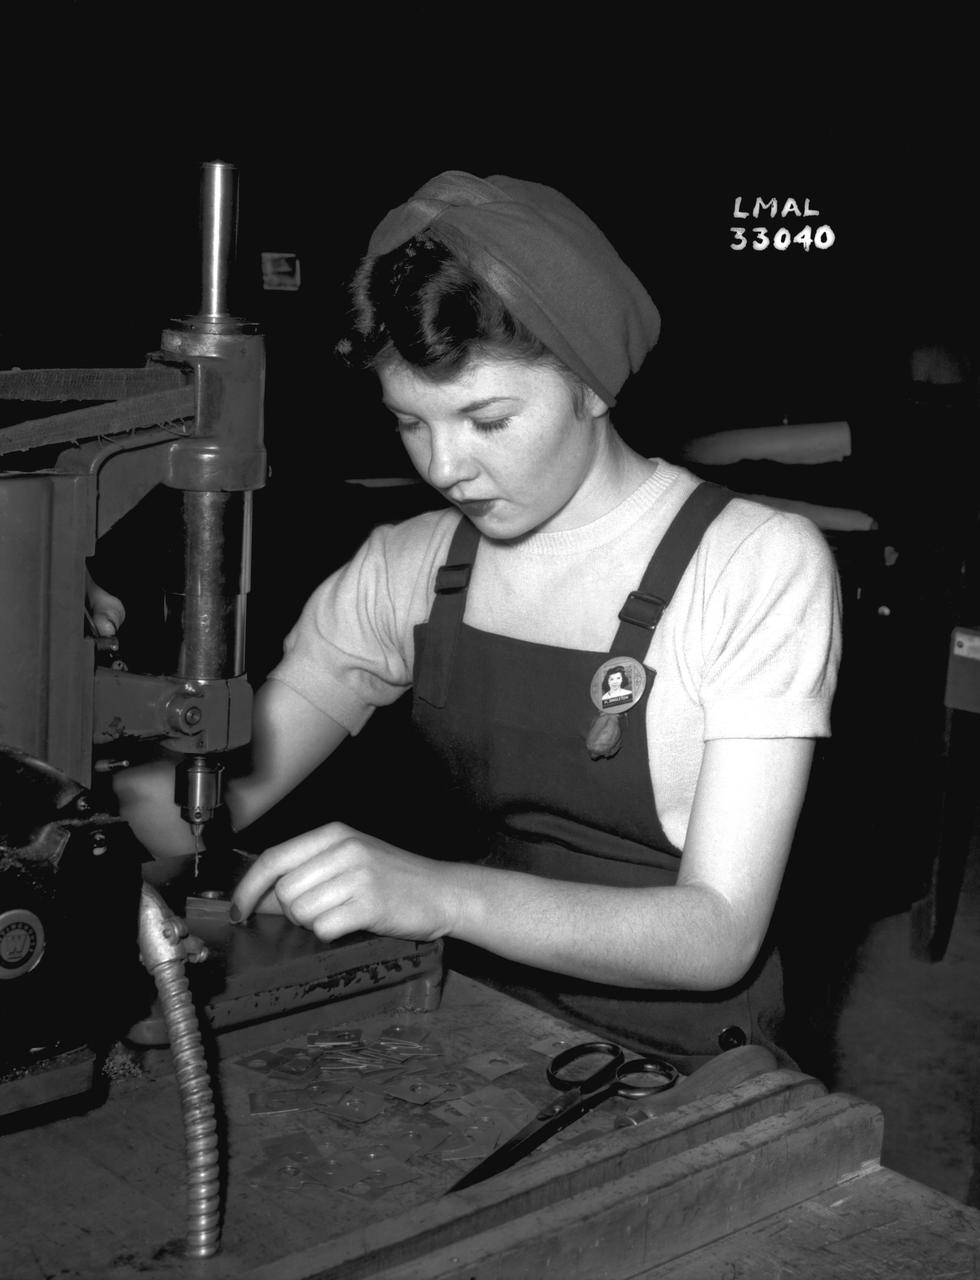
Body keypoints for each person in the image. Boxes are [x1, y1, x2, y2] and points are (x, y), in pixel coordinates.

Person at [115, 171, 841, 1068]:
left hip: (683, 1054)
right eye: (411, 424)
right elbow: (205, 804)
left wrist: (438, 895)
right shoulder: (410, 567)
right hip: (465, 1012)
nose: (446, 467)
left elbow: (719, 932)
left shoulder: (751, 564)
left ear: (592, 385)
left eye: (487, 419)